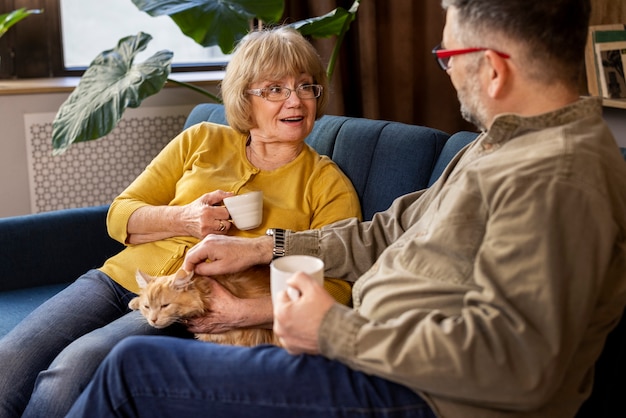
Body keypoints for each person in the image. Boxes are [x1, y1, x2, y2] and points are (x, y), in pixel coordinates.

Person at [66, 0, 626, 417]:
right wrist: (263, 247)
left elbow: (519, 365)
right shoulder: (500, 143)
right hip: (379, 357)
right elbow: (384, 230)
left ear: (494, 69)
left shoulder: (557, 174)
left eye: (448, 56)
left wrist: (334, 330)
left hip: (416, 394)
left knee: (127, 371)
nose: (448, 71)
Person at [0, 26, 361, 418]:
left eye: (306, 86)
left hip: (190, 306)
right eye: (275, 89)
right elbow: (120, 215)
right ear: (245, 98)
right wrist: (187, 219)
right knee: (10, 361)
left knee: (76, 368)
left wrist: (243, 310)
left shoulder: (326, 183)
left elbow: (339, 287)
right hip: (119, 279)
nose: (296, 100)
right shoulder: (201, 139)